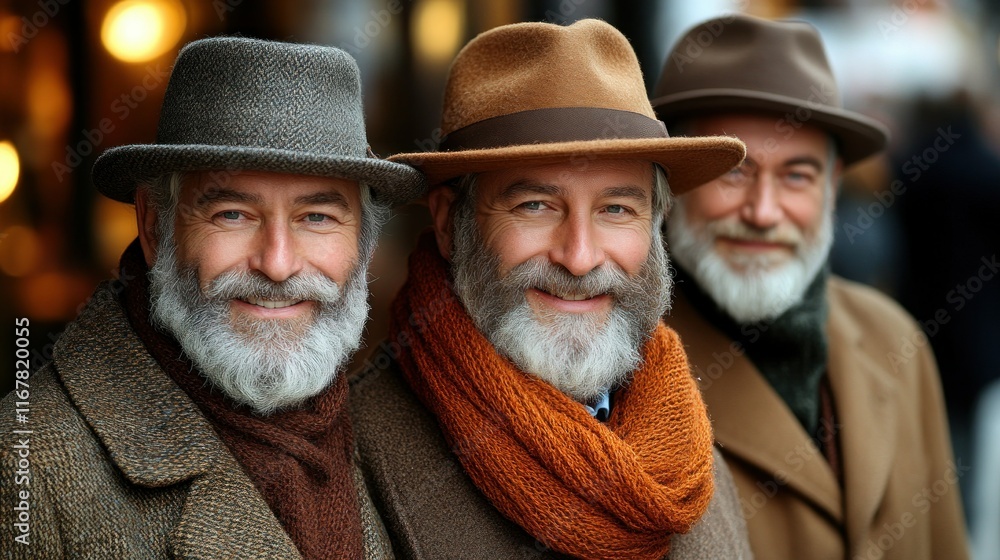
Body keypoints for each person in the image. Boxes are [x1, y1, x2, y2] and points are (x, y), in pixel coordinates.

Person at [0, 37, 423, 558]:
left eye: (317, 218)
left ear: (363, 244)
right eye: (233, 215)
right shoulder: (28, 466)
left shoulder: (389, 442)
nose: (277, 264)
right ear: (155, 229)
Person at [349, 19, 752, 559]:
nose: (579, 258)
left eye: (616, 209)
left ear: (655, 225)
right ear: (449, 223)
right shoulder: (356, 455)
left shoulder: (687, 447)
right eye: (535, 206)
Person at [650, 14, 969, 560]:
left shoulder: (896, 340)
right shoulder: (623, 372)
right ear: (668, 179)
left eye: (797, 175)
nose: (764, 212)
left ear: (832, 185)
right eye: (733, 171)